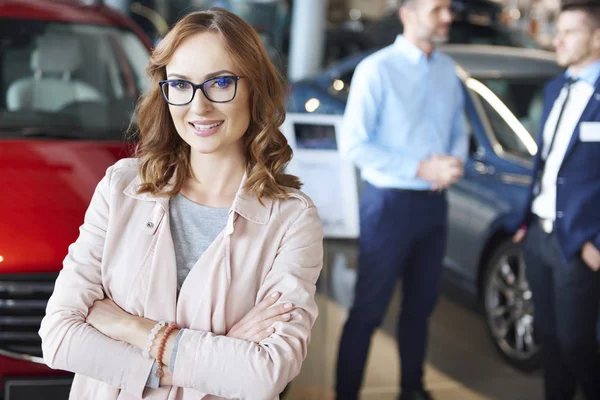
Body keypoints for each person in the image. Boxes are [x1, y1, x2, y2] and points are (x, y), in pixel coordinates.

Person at [38, 8, 323, 400]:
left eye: (220, 82)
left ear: (254, 88)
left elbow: (264, 375)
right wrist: (214, 357)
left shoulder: (291, 218)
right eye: (181, 85)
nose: (199, 107)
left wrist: (131, 328)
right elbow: (58, 337)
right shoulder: (122, 186)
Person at [335, 0, 467, 398]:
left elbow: (458, 128)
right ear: (408, 13)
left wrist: (453, 161)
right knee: (369, 310)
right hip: (388, 204)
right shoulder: (377, 69)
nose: (448, 17)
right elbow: (354, 145)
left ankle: (412, 389)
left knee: (421, 307)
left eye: (449, 8)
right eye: (437, 9)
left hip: (433, 205)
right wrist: (420, 168)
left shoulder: (448, 70)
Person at [512, 0, 600, 399]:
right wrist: (527, 223)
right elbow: (545, 164)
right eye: (557, 29)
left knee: (577, 344)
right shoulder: (554, 88)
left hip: (577, 242)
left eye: (569, 32)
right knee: (549, 342)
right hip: (539, 238)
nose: (556, 39)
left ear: (597, 37)